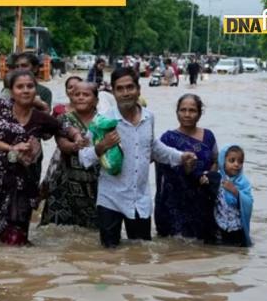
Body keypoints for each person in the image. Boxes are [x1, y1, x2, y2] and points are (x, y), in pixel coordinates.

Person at [79, 67, 197, 248]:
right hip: (110, 198)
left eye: (130, 87)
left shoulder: (149, 117)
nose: (125, 93)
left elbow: (154, 148)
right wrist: (102, 146)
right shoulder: (102, 121)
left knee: (141, 254)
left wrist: (181, 157)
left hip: (139, 199)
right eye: (120, 89)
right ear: (113, 92)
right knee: (108, 255)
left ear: (138, 89)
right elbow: (84, 157)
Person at [0, 70, 73, 246]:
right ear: (11, 91)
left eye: (30, 86)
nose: (25, 90)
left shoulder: (40, 118)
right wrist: (11, 148)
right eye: (20, 87)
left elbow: (63, 127)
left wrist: (77, 136)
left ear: (36, 90)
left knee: (17, 242)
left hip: (22, 187)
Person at [154, 94, 219, 241]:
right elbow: (153, 157)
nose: (187, 114)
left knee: (202, 244)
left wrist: (208, 176)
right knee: (175, 246)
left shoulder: (208, 136)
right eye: (183, 110)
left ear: (200, 113)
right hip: (174, 203)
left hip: (202, 199)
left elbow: (216, 160)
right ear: (177, 112)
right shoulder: (167, 138)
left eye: (192, 110)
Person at [40, 82, 100, 229]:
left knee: (93, 234)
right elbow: (62, 143)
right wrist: (75, 146)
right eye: (76, 95)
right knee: (56, 232)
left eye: (86, 95)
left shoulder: (103, 121)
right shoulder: (63, 119)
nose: (80, 98)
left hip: (95, 185)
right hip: (65, 183)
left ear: (95, 100)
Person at [210, 144, 253, 247]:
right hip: (219, 226)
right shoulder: (216, 179)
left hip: (237, 228)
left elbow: (249, 203)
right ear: (223, 162)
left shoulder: (244, 182)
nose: (236, 164)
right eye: (232, 160)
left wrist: (235, 192)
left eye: (240, 161)